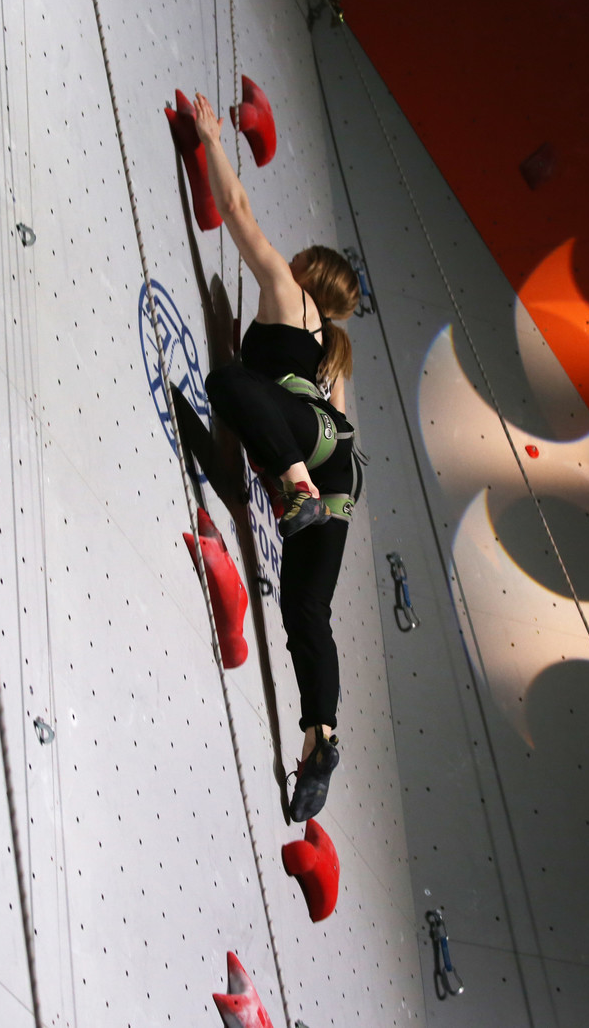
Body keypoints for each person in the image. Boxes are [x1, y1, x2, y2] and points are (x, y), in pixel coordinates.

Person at [191, 91, 362, 823]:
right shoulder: (337, 350)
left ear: (308, 270)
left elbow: (238, 213)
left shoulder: (288, 292)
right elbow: (340, 427)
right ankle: (320, 738)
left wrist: (210, 139)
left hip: (307, 452)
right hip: (341, 467)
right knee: (305, 609)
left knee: (229, 381)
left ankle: (295, 489)